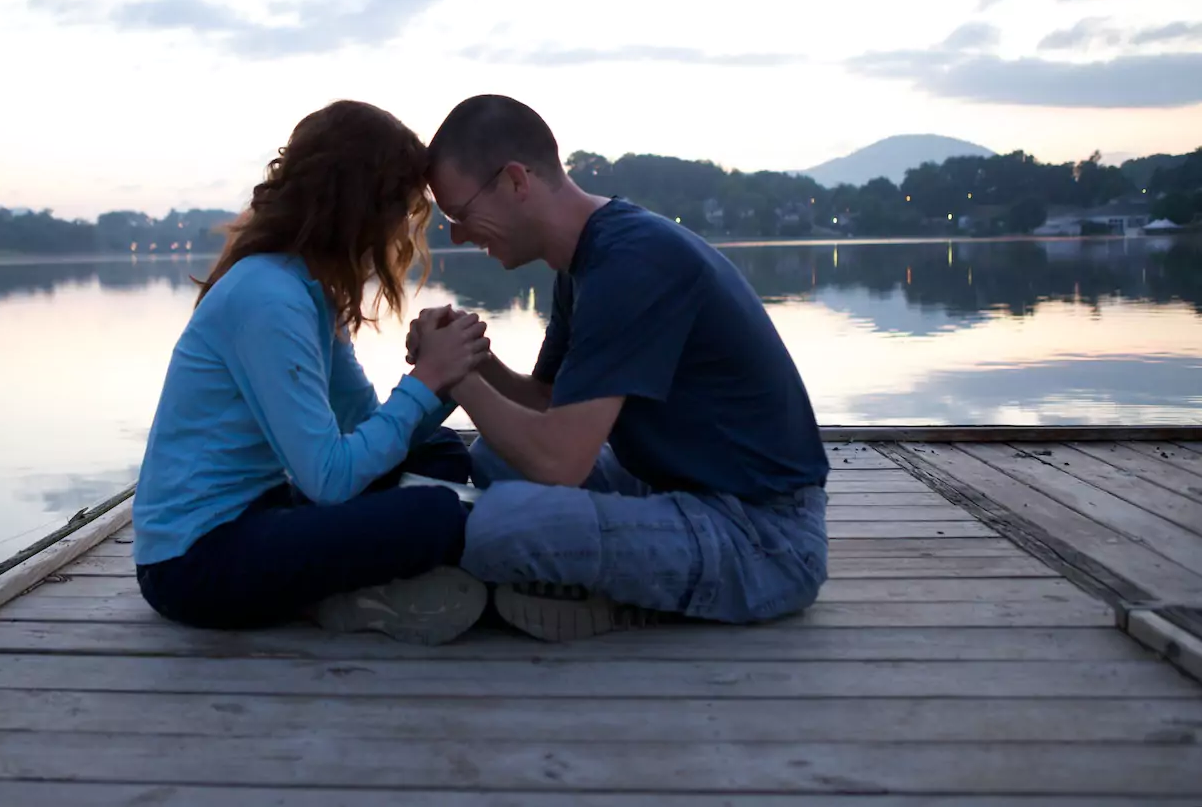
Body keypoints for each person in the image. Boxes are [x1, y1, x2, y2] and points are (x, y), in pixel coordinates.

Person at [412, 94, 831, 642]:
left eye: (460, 215)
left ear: (516, 181)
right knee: (495, 456)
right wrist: (476, 359)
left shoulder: (632, 263)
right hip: (681, 490)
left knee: (499, 525)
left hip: (764, 539)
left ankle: (625, 599)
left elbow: (560, 460)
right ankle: (614, 576)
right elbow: (547, 401)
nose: (458, 237)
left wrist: (455, 378)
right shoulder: (584, 261)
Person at [133, 99, 493, 646]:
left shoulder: (306, 291)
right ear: (360, 203)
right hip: (192, 564)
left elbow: (363, 428)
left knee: (440, 453)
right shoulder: (267, 297)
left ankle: (355, 589)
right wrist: (422, 383)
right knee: (436, 514)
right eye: (399, 205)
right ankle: (349, 596)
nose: (400, 226)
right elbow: (331, 480)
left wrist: (441, 376)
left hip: (262, 512)